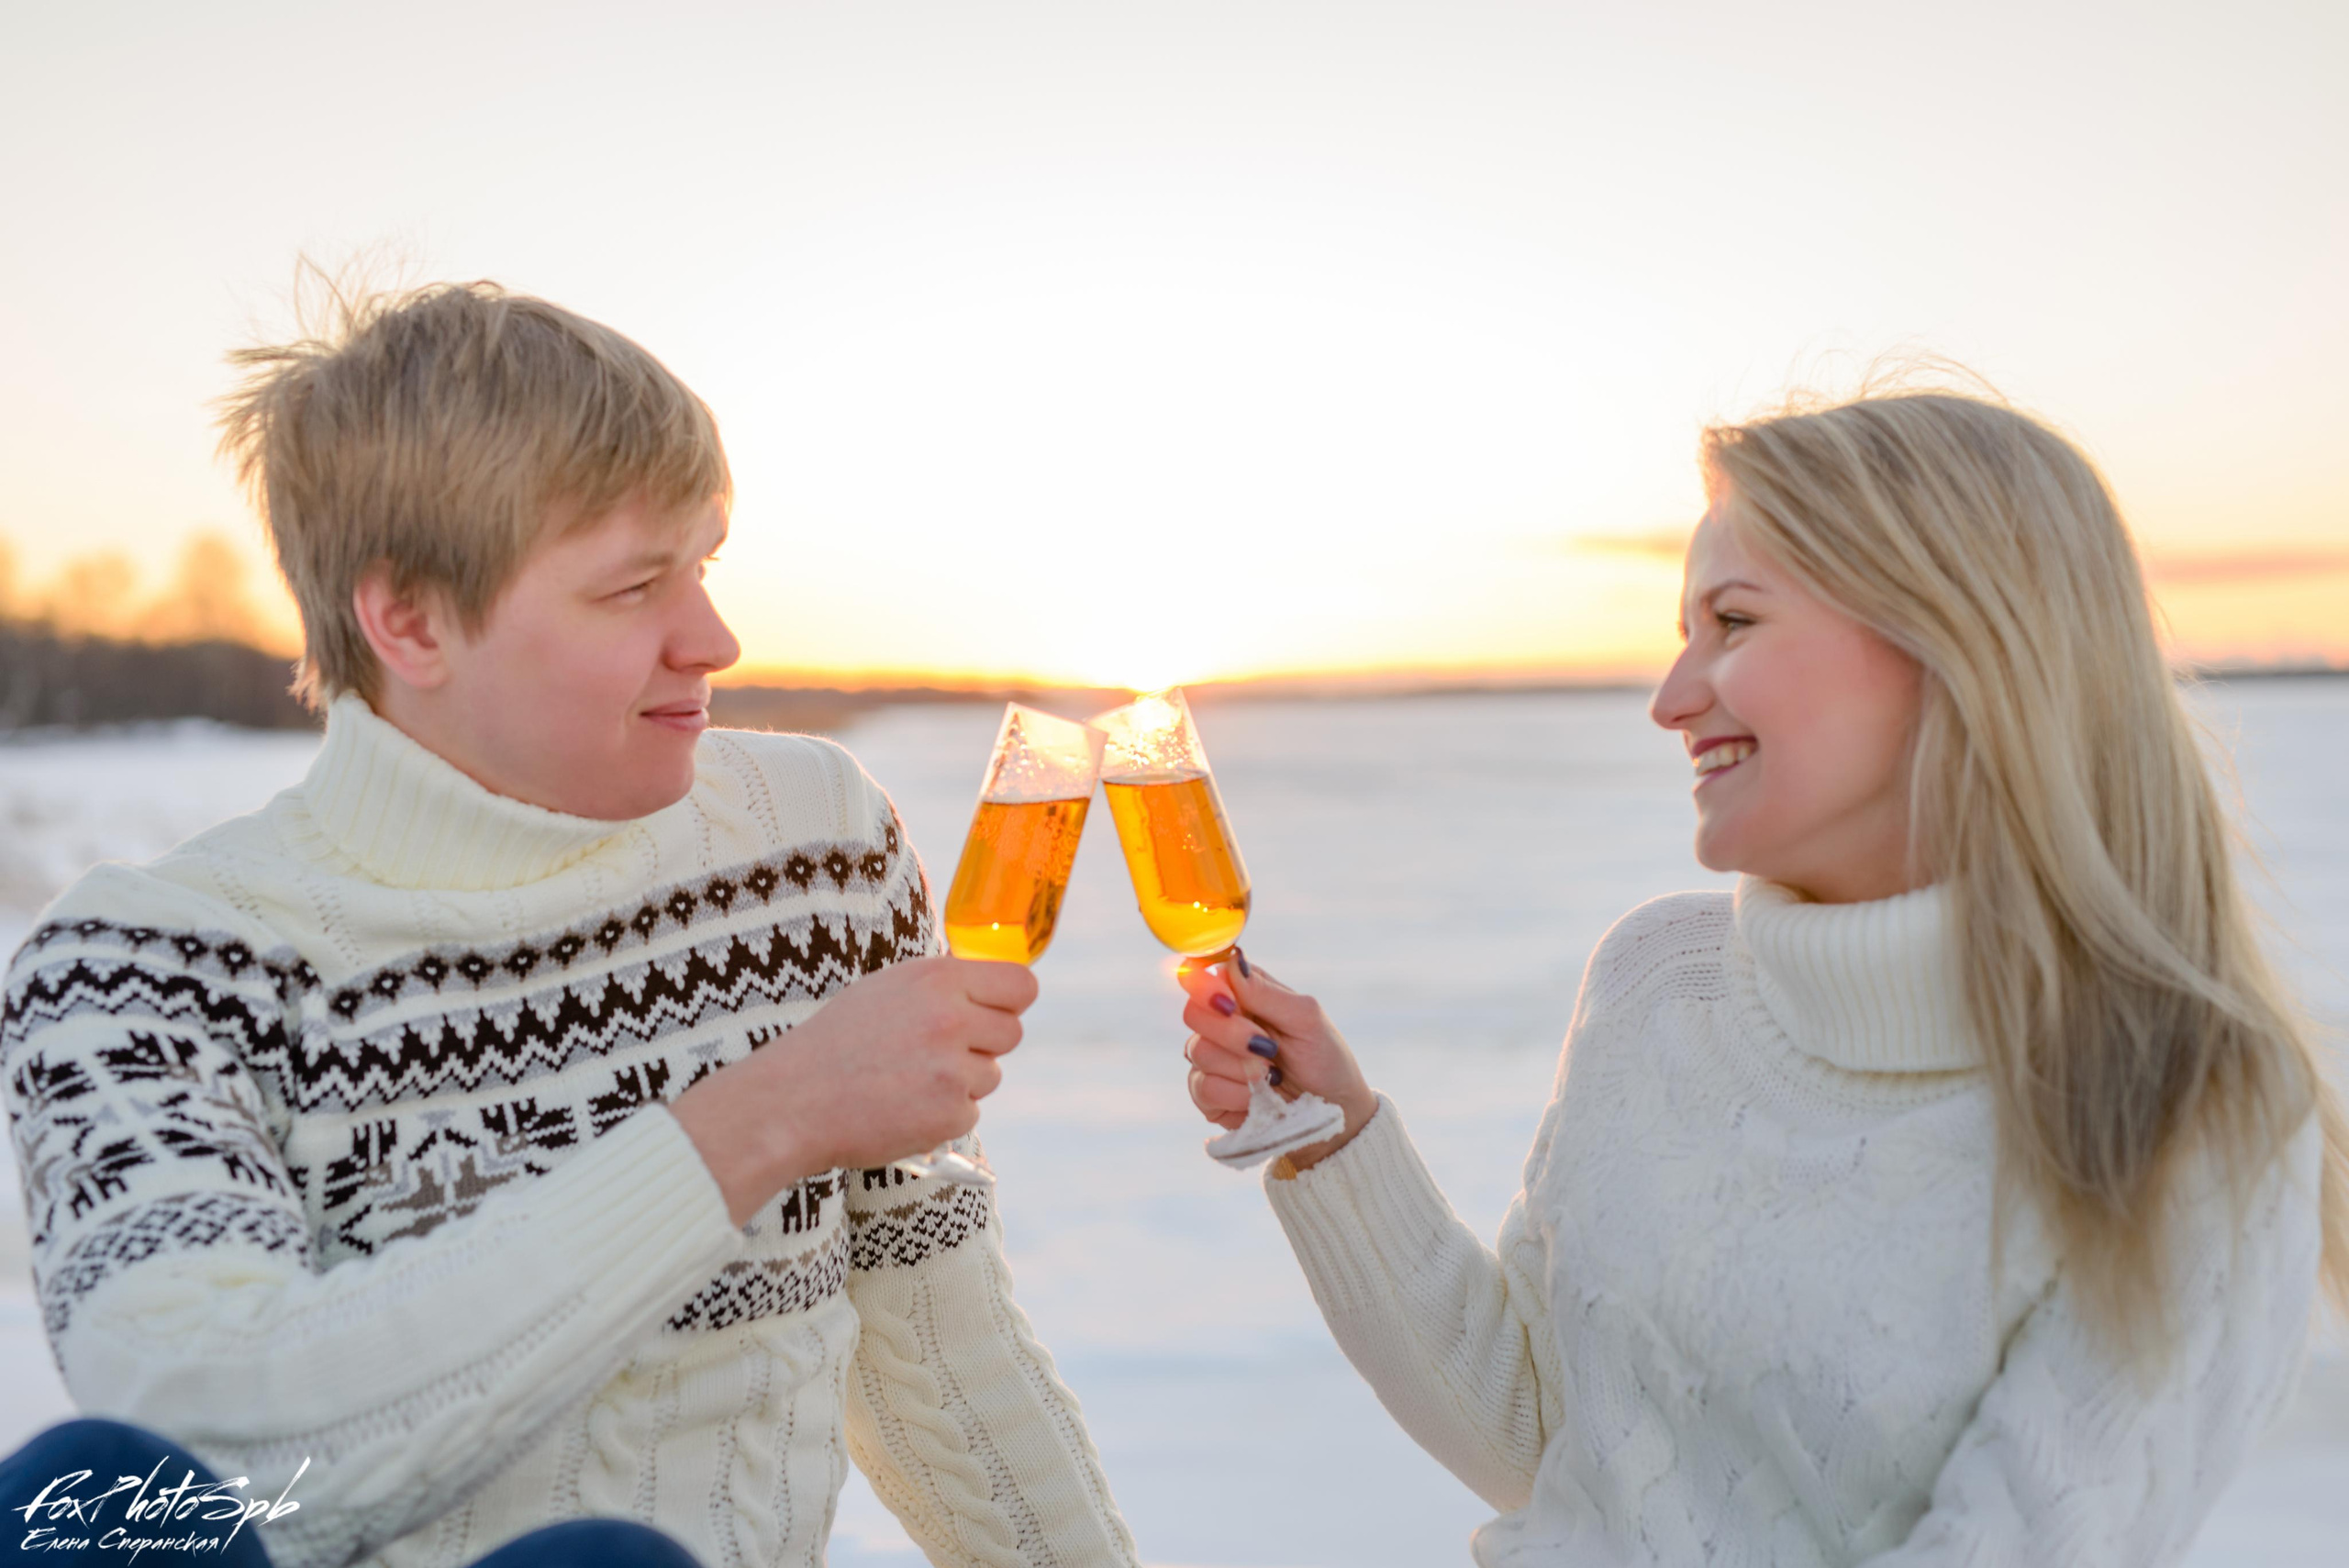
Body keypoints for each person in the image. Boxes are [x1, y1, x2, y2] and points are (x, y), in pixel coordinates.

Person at [0, 279, 1140, 1568]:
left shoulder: (809, 844)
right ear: (410, 618)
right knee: (83, 1490)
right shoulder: (146, 970)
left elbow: (939, 1329)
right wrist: (759, 1122)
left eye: (705, 564)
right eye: (635, 585)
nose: (714, 638)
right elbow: (212, 1457)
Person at [1177, 389, 2349, 1566]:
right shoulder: (1658, 982)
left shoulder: (2191, 1116)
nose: (1671, 698)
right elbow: (1542, 1437)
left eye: (1733, 621)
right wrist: (1336, 1134)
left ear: (1957, 638)